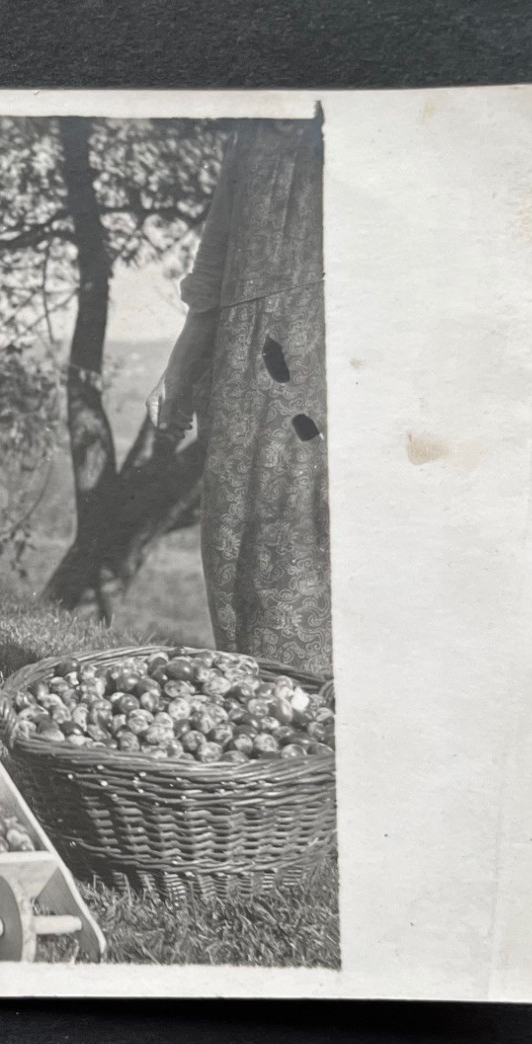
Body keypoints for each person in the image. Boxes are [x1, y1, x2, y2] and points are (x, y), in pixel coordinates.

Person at [145, 115, 332, 677]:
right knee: (238, 547)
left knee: (309, 543)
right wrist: (179, 371)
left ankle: (328, 724)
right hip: (243, 372)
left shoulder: (360, 127)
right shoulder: (250, 133)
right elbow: (213, 267)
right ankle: (263, 725)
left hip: (330, 364)